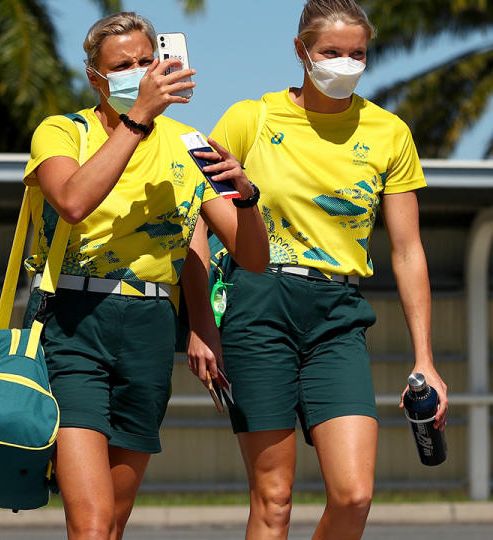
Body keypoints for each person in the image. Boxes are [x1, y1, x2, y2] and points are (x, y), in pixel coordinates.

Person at [186, 1, 449, 538]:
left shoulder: (390, 132)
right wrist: (199, 323)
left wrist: (426, 359)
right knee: (274, 499)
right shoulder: (248, 118)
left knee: (353, 495)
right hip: (257, 305)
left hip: (338, 313)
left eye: (358, 54)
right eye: (332, 52)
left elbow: (407, 251)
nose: (345, 64)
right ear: (301, 51)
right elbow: (195, 220)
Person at [21, 12, 268, 540]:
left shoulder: (190, 143)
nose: (139, 73)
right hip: (73, 323)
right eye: (123, 66)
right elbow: (72, 202)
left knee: (112, 520)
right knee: (88, 522)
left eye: (145, 61)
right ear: (95, 77)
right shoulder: (64, 131)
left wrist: (247, 198)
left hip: (150, 327)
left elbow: (253, 258)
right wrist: (138, 119)